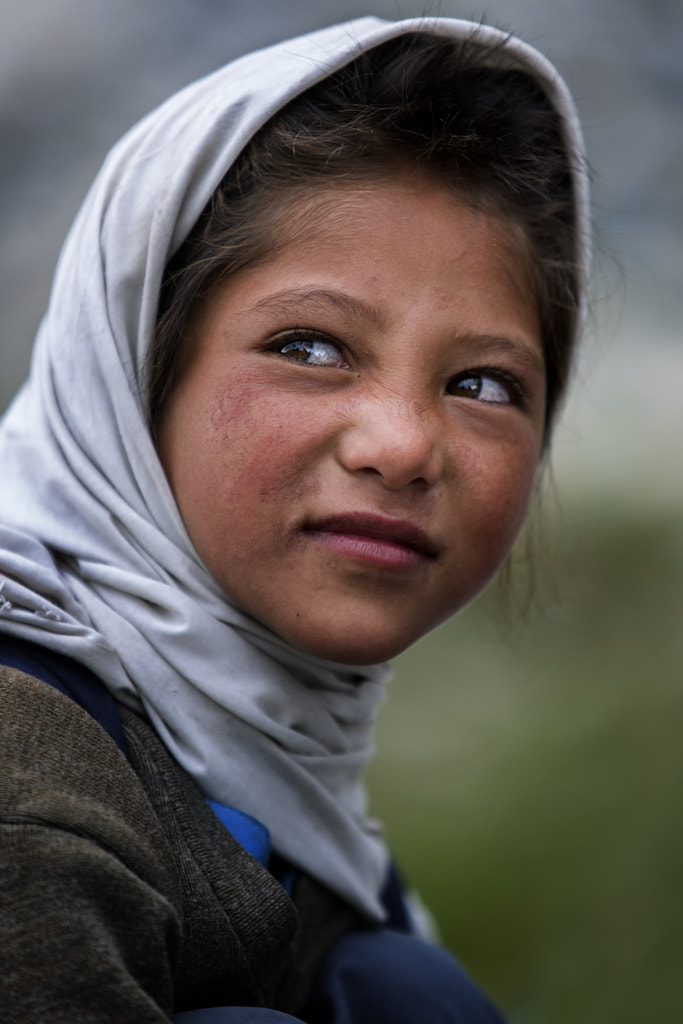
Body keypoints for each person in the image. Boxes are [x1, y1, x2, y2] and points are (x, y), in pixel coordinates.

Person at [0, 15, 590, 1024]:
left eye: (482, 383)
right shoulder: (32, 791)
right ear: (133, 376)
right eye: (310, 348)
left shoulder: (277, 774)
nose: (403, 444)